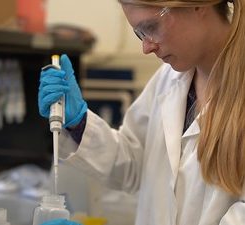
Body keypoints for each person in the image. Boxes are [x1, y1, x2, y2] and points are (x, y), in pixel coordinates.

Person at [38, 0, 245, 224]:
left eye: (151, 27)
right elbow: (134, 165)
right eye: (139, 33)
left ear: (197, 6)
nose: (146, 48)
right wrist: (78, 122)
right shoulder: (167, 79)